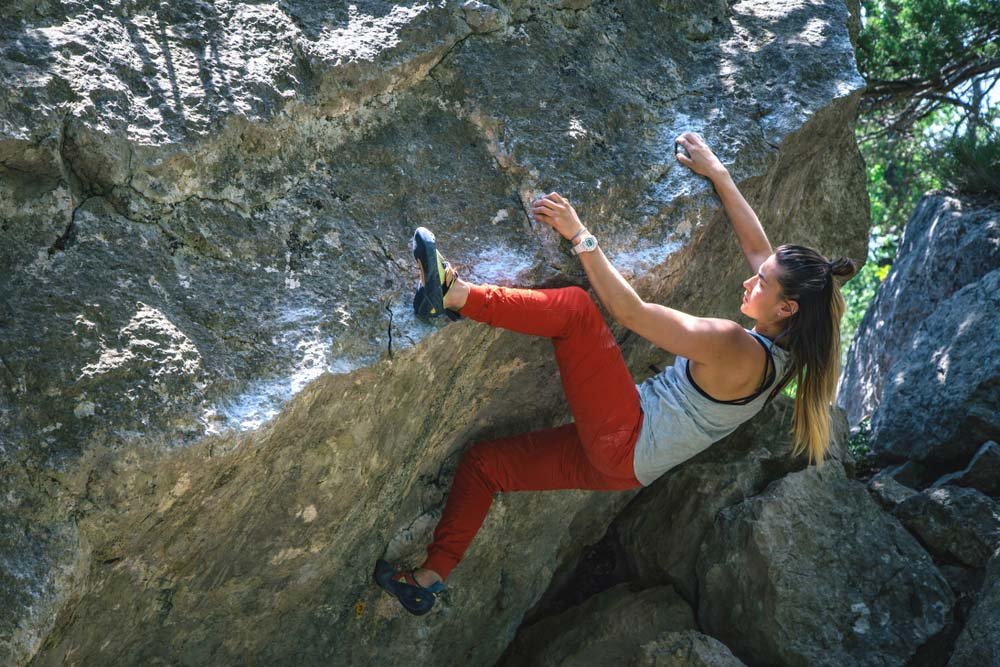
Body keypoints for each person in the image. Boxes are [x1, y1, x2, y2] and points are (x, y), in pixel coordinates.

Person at [374, 132, 856, 615]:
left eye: (762, 283)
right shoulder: (790, 350)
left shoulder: (736, 346)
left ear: (787, 307)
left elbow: (633, 313)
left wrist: (580, 234)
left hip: (624, 436)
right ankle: (429, 577)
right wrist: (719, 174)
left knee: (577, 312)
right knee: (485, 466)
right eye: (760, 272)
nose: (749, 278)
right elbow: (758, 250)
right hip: (625, 470)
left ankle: (453, 293)